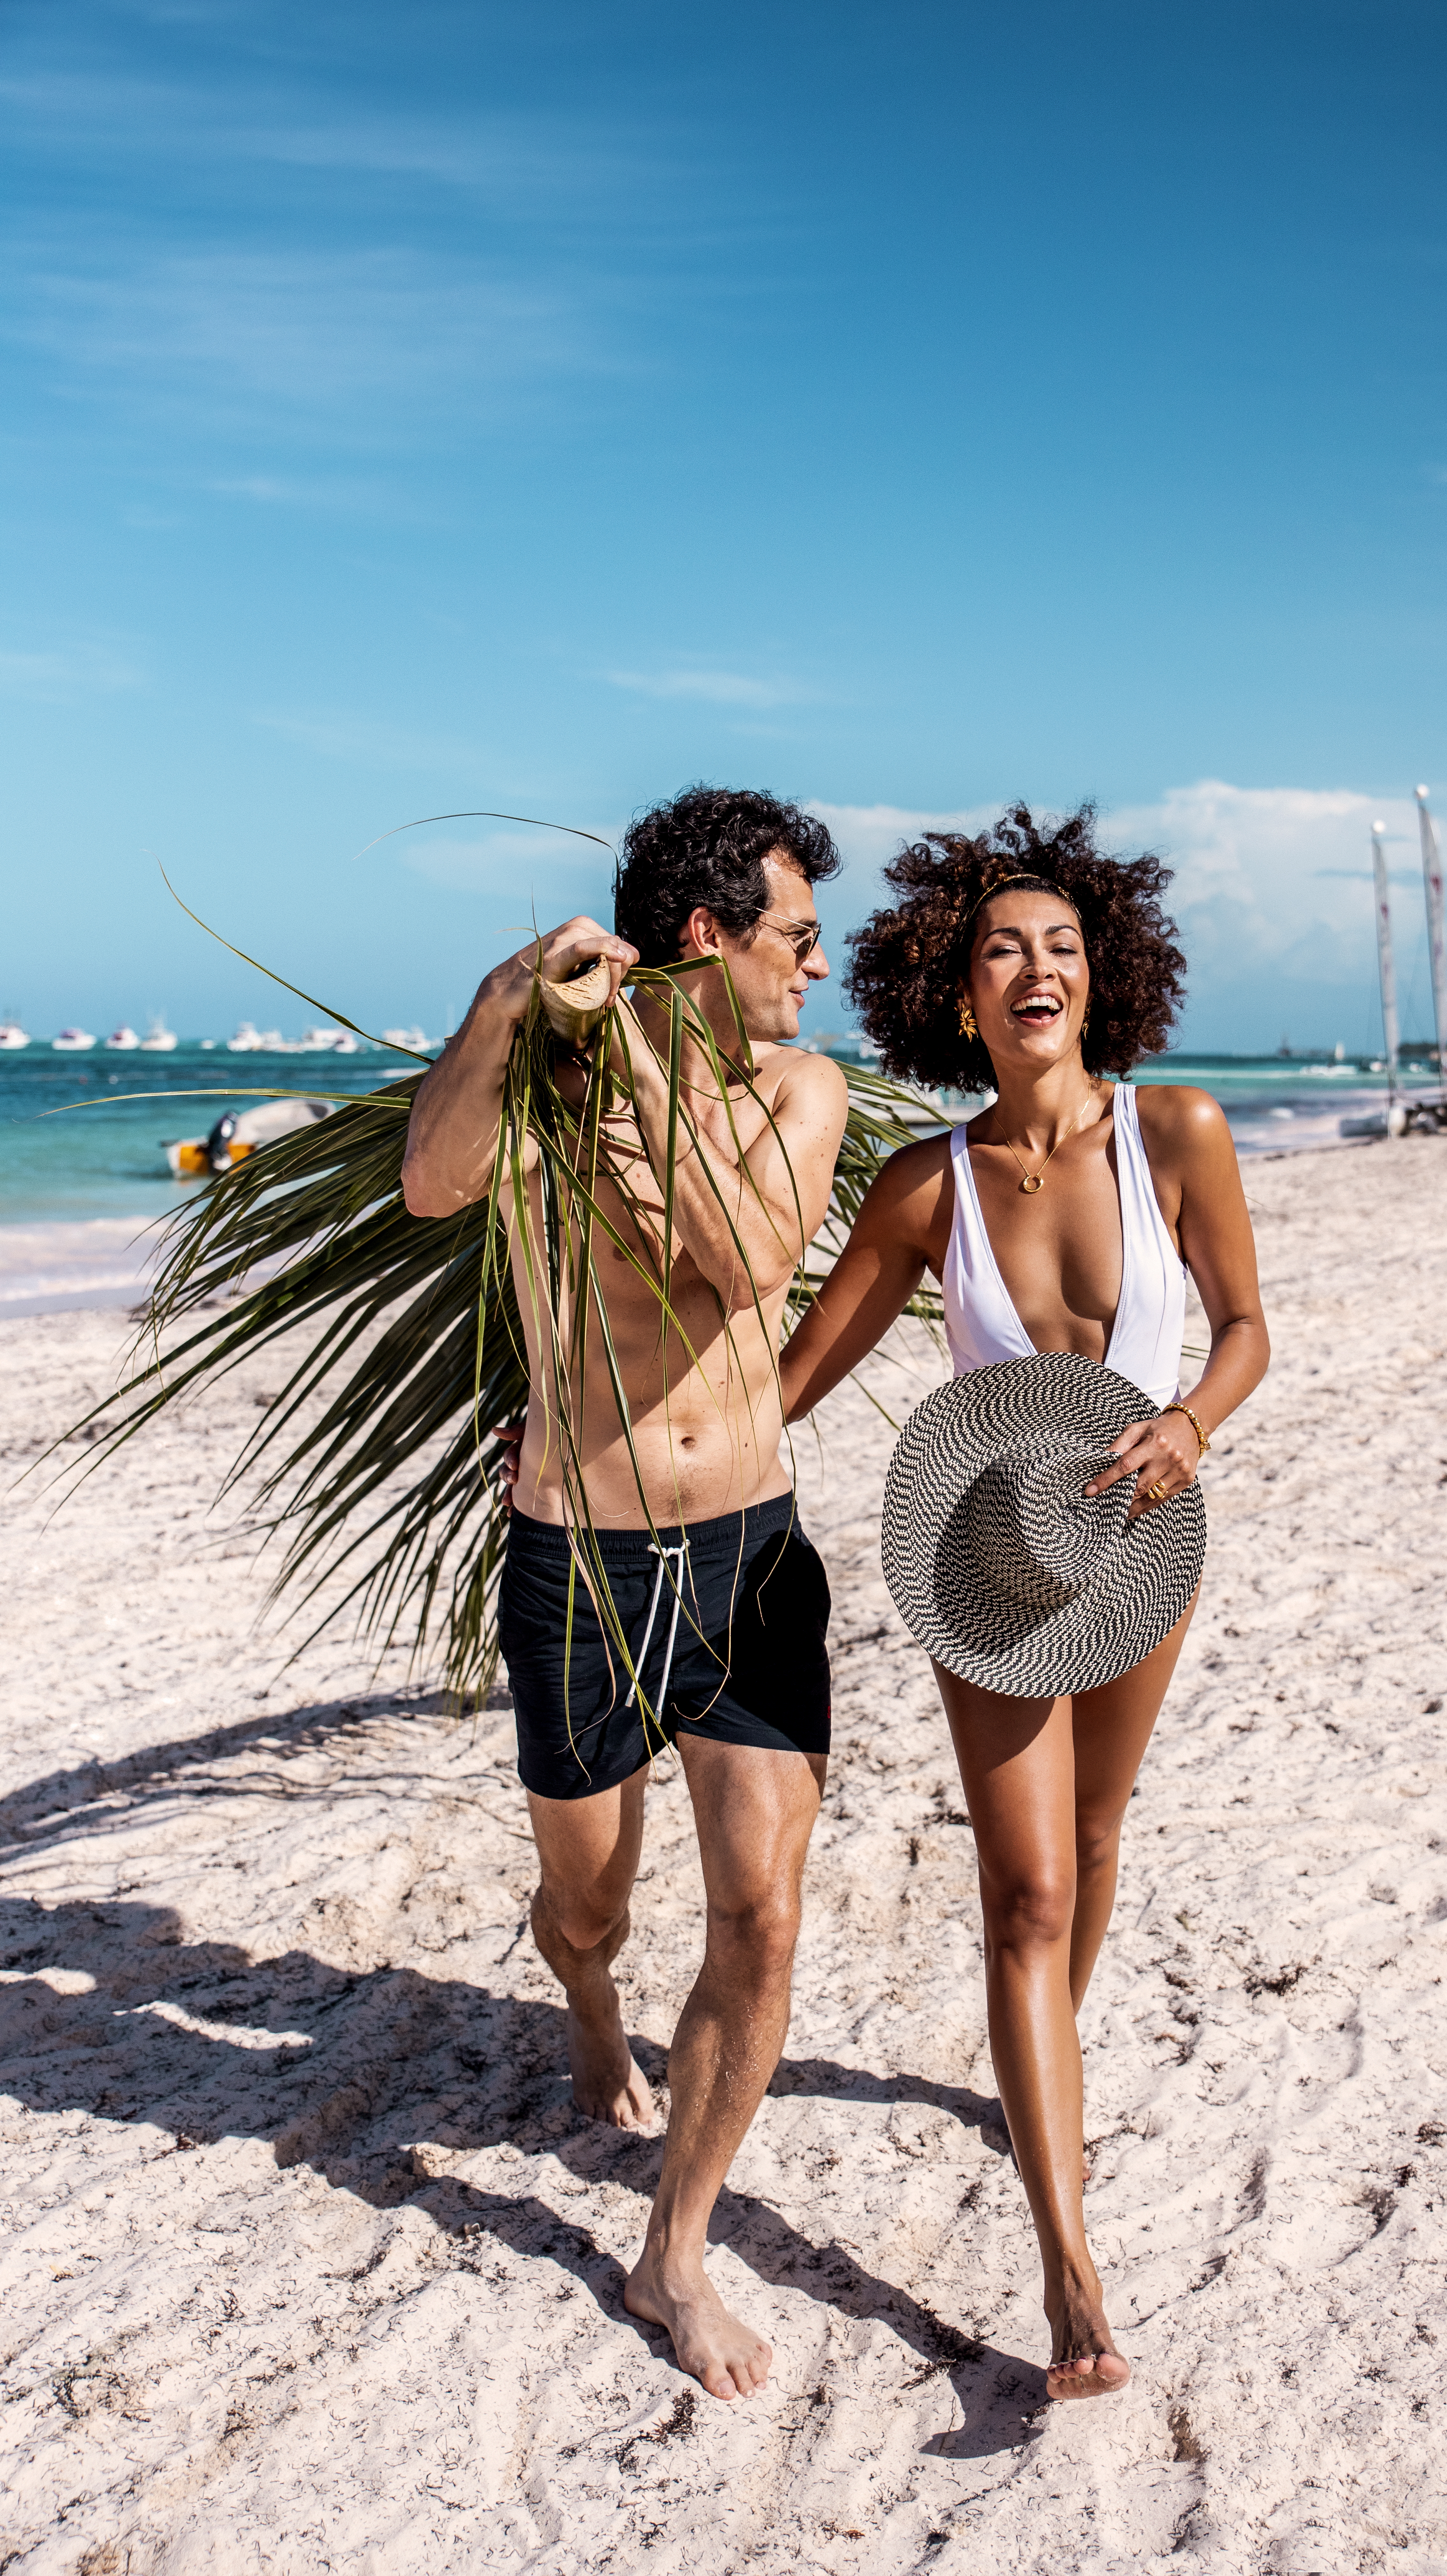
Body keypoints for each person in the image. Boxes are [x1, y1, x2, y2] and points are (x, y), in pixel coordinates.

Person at [778, 804, 1269, 2401]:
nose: (1033, 965)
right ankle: (1069, 2266)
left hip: (1138, 1532)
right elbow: (792, 1376)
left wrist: (1189, 1419)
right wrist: (627, 1406)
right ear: (957, 984)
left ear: (1099, 972)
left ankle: (1033, 2058)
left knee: (1104, 1836)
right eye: (1003, 946)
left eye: (1059, 943)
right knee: (1029, 1894)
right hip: (983, 1552)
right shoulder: (928, 1184)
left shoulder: (1177, 1130)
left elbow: (1247, 1326)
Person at [402, 787, 851, 2402]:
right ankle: (589, 2002)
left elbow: (744, 1257)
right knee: (587, 1899)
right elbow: (433, 1184)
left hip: (746, 1552)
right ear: (706, 938)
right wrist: (505, 1009)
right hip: (578, 1559)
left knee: (764, 1909)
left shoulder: (800, 1083)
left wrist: (616, 1095)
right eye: (797, 940)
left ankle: (674, 2248)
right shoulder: (542, 1067)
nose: (819, 969)